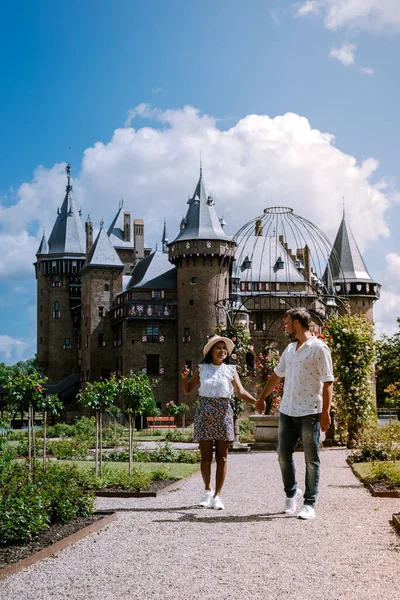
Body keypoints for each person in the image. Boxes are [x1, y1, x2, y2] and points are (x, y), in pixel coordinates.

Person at [256, 308, 334, 520]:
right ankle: (292, 493)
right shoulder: (290, 349)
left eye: (287, 322)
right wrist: (261, 398)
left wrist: (325, 412)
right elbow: (276, 376)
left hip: (310, 411)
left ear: (297, 323)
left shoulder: (319, 348)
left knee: (311, 459)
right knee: (283, 455)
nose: (285, 326)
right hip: (287, 410)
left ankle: (309, 503)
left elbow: (328, 381)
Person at [181, 335, 258, 510]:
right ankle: (207, 490)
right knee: (206, 457)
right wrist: (184, 377)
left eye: (225, 348)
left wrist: (256, 401)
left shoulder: (230, 370)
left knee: (222, 457)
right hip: (204, 412)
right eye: (219, 348)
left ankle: (217, 495)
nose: (223, 350)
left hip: (223, 412)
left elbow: (240, 391)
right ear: (211, 351)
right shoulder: (202, 369)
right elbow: (187, 390)